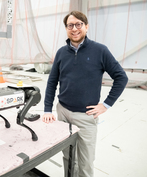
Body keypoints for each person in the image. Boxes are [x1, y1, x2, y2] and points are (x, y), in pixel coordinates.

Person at [42, 11, 128, 177]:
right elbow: (52, 82)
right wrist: (47, 109)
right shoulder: (61, 53)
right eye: (70, 25)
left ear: (86, 27)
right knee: (68, 157)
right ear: (66, 29)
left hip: (86, 116)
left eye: (78, 24)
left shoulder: (100, 51)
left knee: (85, 162)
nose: (74, 29)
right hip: (63, 114)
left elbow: (121, 77)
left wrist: (106, 104)